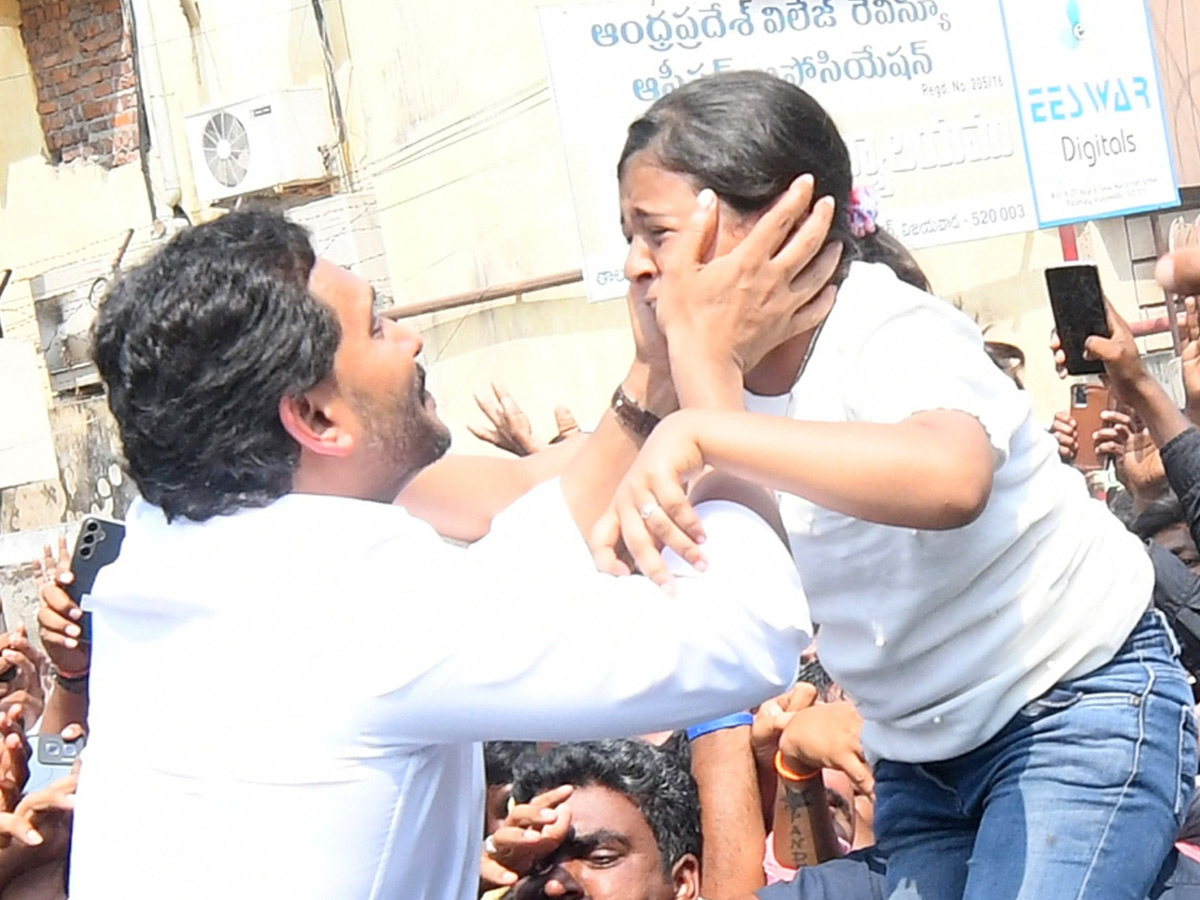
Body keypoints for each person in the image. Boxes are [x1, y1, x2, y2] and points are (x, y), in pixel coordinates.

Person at [65, 209, 823, 900]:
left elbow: (515, 577)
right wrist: (720, 387)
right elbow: (743, 636)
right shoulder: (349, 610)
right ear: (316, 418)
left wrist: (654, 369)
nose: (413, 338)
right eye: (377, 328)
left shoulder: (181, 548)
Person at [590, 70, 1196, 900]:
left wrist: (704, 424)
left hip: (1072, 708)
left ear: (777, 229)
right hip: (917, 760)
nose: (633, 264)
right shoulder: (703, 391)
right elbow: (718, 600)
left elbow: (951, 480)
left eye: (654, 232)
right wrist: (693, 386)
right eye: (625, 234)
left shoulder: (884, 325)